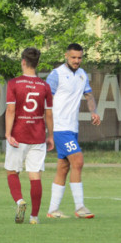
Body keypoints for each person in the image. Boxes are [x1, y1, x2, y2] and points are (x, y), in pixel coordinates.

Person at [45, 43, 100, 219]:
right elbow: (46, 100)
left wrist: (93, 112)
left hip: (72, 127)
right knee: (78, 161)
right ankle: (80, 207)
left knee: (63, 167)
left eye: (79, 57)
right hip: (60, 128)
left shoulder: (83, 75)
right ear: (66, 56)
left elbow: (89, 95)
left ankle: (52, 210)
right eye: (73, 57)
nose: (77, 61)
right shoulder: (57, 74)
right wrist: (49, 128)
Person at [5, 47, 54, 225]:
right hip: (38, 136)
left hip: (18, 135)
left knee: (12, 171)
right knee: (35, 176)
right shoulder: (45, 86)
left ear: (23, 62)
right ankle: (34, 217)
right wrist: (51, 136)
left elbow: (10, 110)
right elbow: (48, 114)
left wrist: (8, 133)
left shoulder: (14, 83)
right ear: (37, 63)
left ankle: (19, 201)